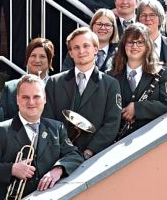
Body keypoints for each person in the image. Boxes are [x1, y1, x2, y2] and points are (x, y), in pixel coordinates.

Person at [0, 74, 83, 200]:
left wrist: (59, 168)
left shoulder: (56, 128)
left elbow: (74, 155)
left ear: (44, 99)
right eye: (25, 97)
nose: (31, 102)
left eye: (36, 97)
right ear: (17, 100)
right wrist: (12, 169)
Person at [45, 26, 122, 157]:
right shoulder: (53, 82)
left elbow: (112, 123)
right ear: (70, 53)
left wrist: (90, 151)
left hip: (92, 157)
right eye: (76, 47)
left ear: (96, 49)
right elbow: (47, 119)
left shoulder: (111, 84)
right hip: (56, 154)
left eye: (86, 46)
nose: (81, 51)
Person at [109, 24, 167, 136]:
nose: (134, 46)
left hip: (151, 137)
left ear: (148, 46)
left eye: (140, 42)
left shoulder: (162, 72)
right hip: (118, 140)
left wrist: (137, 108)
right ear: (123, 46)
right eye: (130, 42)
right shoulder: (112, 75)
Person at [0, 38, 55, 120]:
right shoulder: (10, 87)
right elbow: (2, 119)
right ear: (27, 58)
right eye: (33, 56)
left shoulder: (57, 87)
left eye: (42, 56)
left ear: (50, 61)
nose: (37, 60)